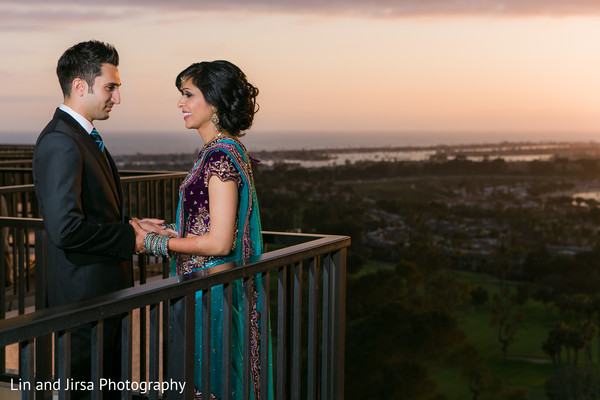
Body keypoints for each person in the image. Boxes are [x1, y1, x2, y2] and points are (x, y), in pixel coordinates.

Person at [131, 60, 273, 400]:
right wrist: (171, 234)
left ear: (214, 102)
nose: (180, 103)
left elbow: (220, 242)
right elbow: (209, 227)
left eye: (188, 94)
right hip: (207, 290)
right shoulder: (220, 151)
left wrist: (153, 243)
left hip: (211, 295)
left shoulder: (220, 158)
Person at [32, 40, 165, 399]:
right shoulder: (61, 141)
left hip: (101, 293)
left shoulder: (81, 136)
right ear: (80, 86)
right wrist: (130, 240)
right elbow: (66, 229)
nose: (116, 98)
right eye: (110, 87)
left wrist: (132, 224)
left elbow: (89, 209)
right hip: (83, 298)